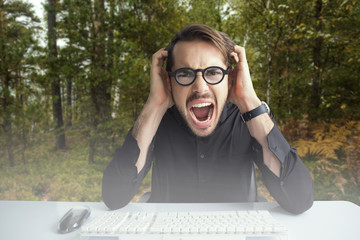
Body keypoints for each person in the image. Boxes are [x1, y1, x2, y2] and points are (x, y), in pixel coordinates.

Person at [102, 23, 313, 214]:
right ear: (169, 81)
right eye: (185, 74)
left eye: (213, 72)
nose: (200, 88)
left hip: (235, 232)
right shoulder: (157, 120)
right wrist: (154, 104)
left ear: (229, 79)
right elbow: (114, 196)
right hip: (168, 232)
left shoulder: (249, 119)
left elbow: (300, 200)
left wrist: (250, 101)